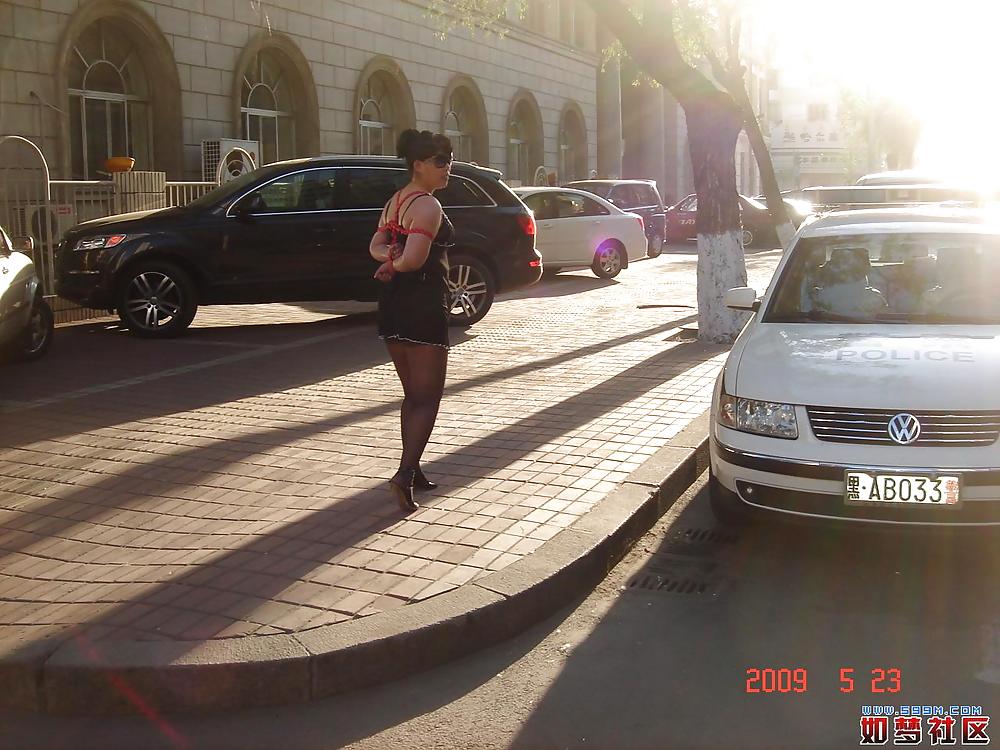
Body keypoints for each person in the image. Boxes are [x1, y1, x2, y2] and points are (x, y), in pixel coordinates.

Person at [369, 129, 454, 512]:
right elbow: (416, 258)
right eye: (439, 161)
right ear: (417, 165)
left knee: (412, 395)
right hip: (421, 304)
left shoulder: (394, 202)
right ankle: (404, 475)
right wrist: (397, 262)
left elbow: (375, 247)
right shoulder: (427, 206)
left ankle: (414, 467)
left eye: (449, 159)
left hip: (393, 304)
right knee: (427, 398)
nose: (447, 167)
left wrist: (388, 262)